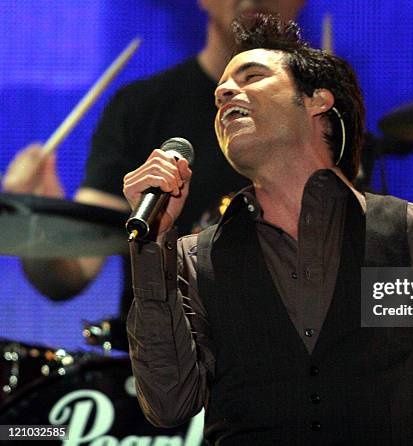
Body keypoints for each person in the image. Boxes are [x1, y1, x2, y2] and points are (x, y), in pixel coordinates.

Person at [123, 14, 413, 445]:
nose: (221, 92)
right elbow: (169, 405)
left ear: (317, 101)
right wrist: (154, 245)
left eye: (252, 76)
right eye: (220, 89)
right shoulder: (196, 255)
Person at [1, 0, 305, 349]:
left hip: (300, 373)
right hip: (166, 370)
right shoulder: (141, 108)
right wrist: (37, 224)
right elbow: (70, 276)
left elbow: (369, 271)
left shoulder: (326, 117)